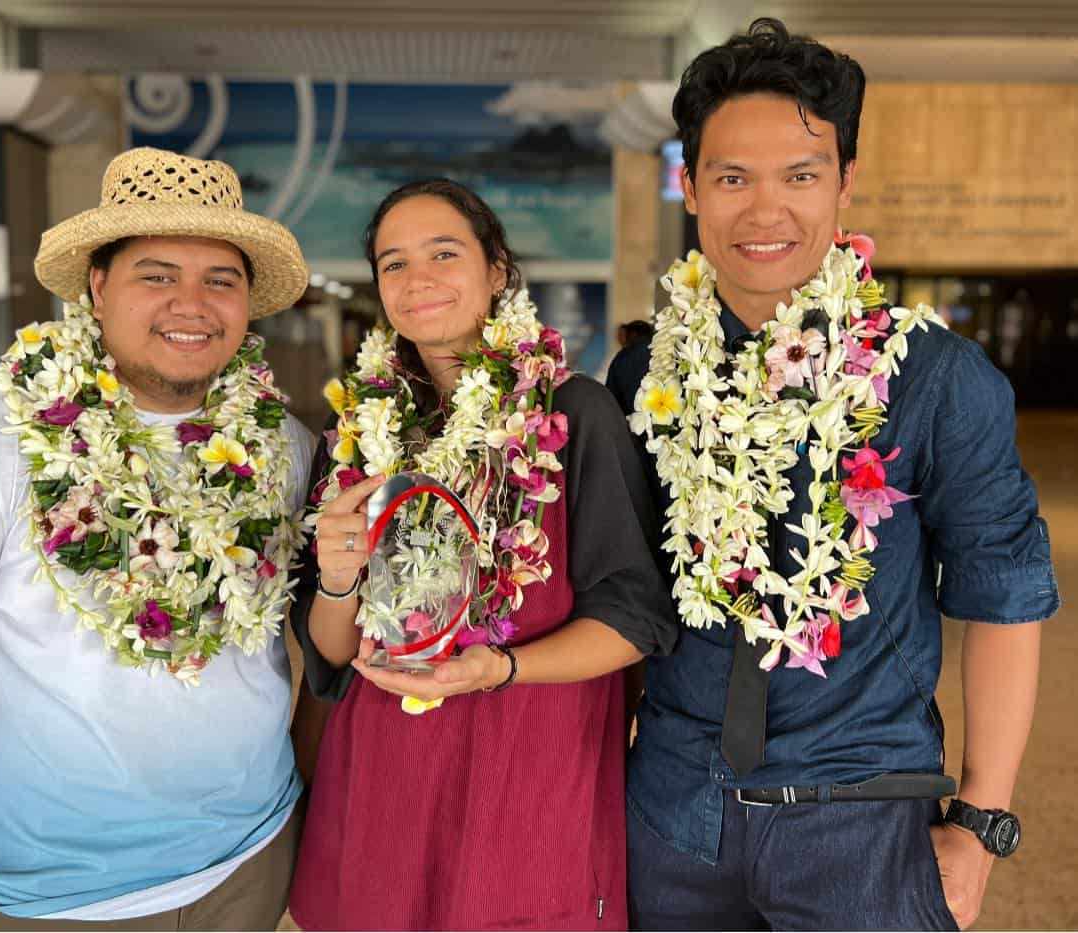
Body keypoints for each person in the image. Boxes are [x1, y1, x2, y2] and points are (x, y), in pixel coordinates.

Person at [617, 19, 1059, 931]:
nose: (765, 210)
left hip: (862, 818)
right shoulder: (645, 380)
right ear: (691, 186)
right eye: (733, 177)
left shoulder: (933, 378)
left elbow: (1005, 600)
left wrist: (980, 821)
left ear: (846, 183)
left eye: (801, 176)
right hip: (672, 816)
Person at [0, 147, 317, 931]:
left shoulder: (284, 444)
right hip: (42, 901)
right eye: (157, 274)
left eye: (220, 279)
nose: (192, 302)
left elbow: (317, 645)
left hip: (249, 868)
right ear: (96, 284)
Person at [286, 178, 677, 930]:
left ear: (497, 268)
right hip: (384, 785)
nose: (417, 278)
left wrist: (500, 666)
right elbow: (331, 660)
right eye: (392, 263)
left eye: (443, 252)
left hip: (527, 781)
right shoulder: (357, 432)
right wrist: (337, 582)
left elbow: (636, 620)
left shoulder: (573, 413)